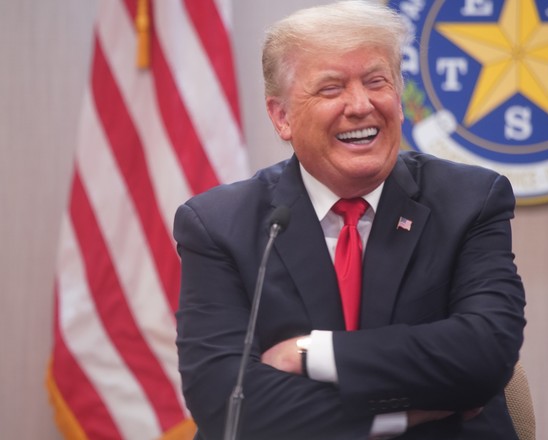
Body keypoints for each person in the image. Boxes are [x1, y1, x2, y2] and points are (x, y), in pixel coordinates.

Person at [173, 1, 526, 439]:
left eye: (377, 82)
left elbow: (485, 354)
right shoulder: (219, 225)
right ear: (282, 117)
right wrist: (404, 414)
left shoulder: (470, 200)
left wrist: (314, 354)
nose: (360, 105)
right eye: (331, 88)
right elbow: (227, 402)